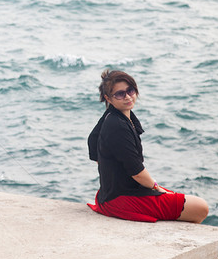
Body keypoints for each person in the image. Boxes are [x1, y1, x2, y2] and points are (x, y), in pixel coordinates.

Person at [87, 69, 209, 223]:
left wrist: (109, 170)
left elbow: (92, 139)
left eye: (130, 90)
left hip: (110, 194)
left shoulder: (116, 115)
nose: (128, 97)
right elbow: (136, 172)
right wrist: (156, 187)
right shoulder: (117, 125)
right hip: (121, 199)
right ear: (108, 98)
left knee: (186, 202)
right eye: (120, 94)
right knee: (200, 207)